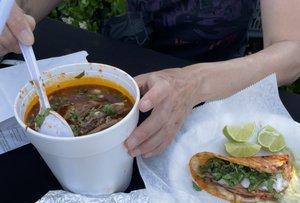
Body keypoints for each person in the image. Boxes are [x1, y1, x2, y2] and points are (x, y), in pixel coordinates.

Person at [1, 1, 300, 158]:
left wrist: (193, 82)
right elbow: (26, 7)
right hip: (107, 91)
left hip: (213, 99)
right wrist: (7, 16)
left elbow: (292, 53)